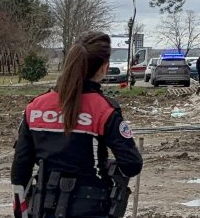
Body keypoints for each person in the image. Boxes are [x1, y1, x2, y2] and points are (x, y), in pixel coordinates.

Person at [11, 32, 142, 218]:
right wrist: (109, 167)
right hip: (91, 206)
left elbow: (20, 168)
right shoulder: (104, 110)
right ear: (104, 68)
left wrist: (20, 211)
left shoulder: (35, 107)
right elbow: (132, 164)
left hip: (44, 205)